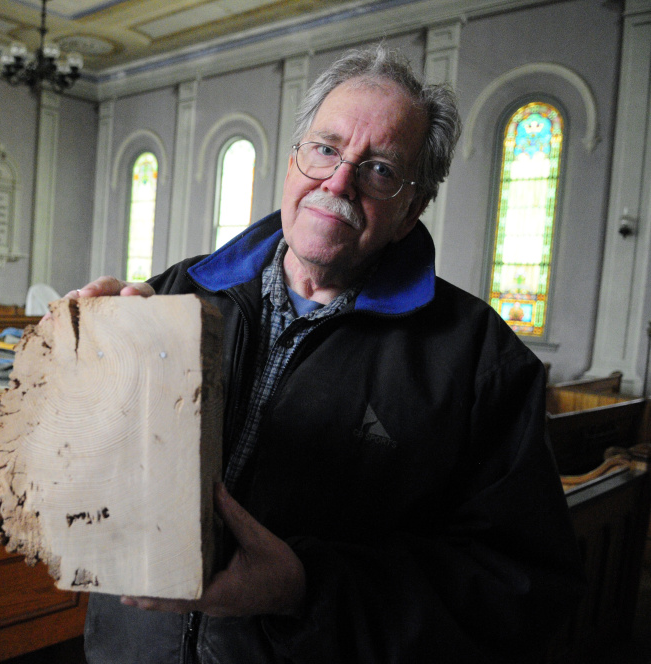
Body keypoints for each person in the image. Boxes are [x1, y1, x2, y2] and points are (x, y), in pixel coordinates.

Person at [77, 46, 584, 663]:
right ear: (293, 160)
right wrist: (82, 362)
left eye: (379, 169)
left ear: (411, 210)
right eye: (325, 148)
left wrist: (304, 590)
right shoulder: (180, 291)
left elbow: (521, 594)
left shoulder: (478, 359)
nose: (337, 181)